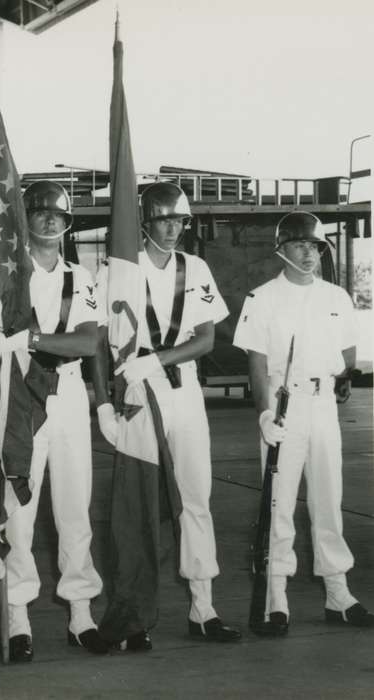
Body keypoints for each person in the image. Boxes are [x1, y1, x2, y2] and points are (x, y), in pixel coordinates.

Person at [93, 181, 241, 650]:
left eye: (179, 220)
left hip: (183, 390)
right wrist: (101, 402)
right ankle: (134, 617)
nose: (173, 229)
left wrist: (156, 359)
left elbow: (206, 339)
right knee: (138, 508)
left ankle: (204, 607)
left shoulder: (193, 268)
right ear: (145, 223)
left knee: (196, 498)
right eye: (164, 220)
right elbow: (97, 340)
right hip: (139, 393)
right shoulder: (118, 270)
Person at [233, 210, 374, 636]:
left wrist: (338, 377)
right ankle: (276, 595)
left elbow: (348, 356)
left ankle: (338, 591)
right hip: (283, 403)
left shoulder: (336, 296)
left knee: (329, 500)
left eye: (315, 246)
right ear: (282, 250)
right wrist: (263, 414)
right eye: (300, 245)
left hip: (323, 405)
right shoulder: (262, 298)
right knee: (278, 502)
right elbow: (257, 364)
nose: (309, 253)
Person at [0, 180, 107, 662]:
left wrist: (32, 339)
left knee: (76, 507)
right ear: (24, 219)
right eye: (39, 213)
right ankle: (18, 617)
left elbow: (87, 344)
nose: (49, 221)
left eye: (58, 215)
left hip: (70, 392)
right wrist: (32, 342)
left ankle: (81, 614)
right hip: (22, 392)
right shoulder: (9, 276)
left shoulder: (82, 276)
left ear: (68, 222)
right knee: (20, 510)